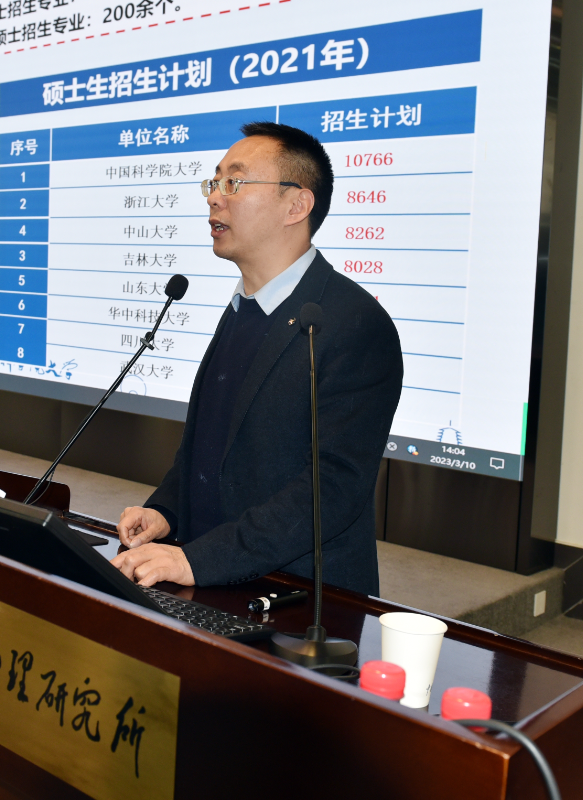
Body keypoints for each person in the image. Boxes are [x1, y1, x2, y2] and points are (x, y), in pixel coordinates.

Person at [110, 122, 403, 597]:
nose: (214, 197)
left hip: (300, 601)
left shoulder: (352, 322)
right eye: (214, 182)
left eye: (235, 182)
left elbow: (332, 489)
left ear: (297, 205)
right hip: (212, 577)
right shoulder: (242, 308)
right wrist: (166, 511)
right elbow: (209, 449)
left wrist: (198, 559)